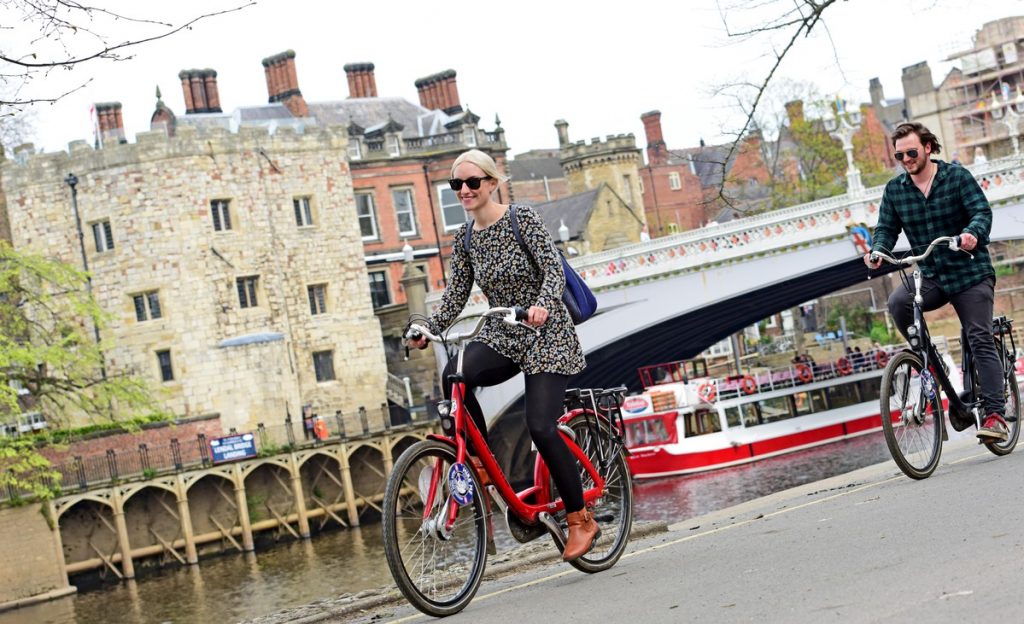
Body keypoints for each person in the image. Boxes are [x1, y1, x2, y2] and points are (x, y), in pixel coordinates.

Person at [407, 149, 597, 561]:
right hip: (502, 330)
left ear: (492, 183)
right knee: (455, 374)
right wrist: (429, 328)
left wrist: (543, 304)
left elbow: (552, 269)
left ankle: (580, 518)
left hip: (544, 330)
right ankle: (478, 459)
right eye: (456, 185)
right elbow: (456, 294)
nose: (464, 191)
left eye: (472, 182)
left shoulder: (521, 219)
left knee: (541, 427)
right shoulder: (467, 237)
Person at [864, 122, 1005, 440]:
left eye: (911, 152)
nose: (906, 160)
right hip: (931, 275)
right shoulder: (896, 190)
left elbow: (981, 212)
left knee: (979, 337)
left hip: (970, 272)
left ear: (927, 148)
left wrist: (972, 234)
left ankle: (995, 415)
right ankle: (929, 362)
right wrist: (878, 250)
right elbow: (886, 228)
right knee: (899, 302)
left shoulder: (957, 177)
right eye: (900, 156)